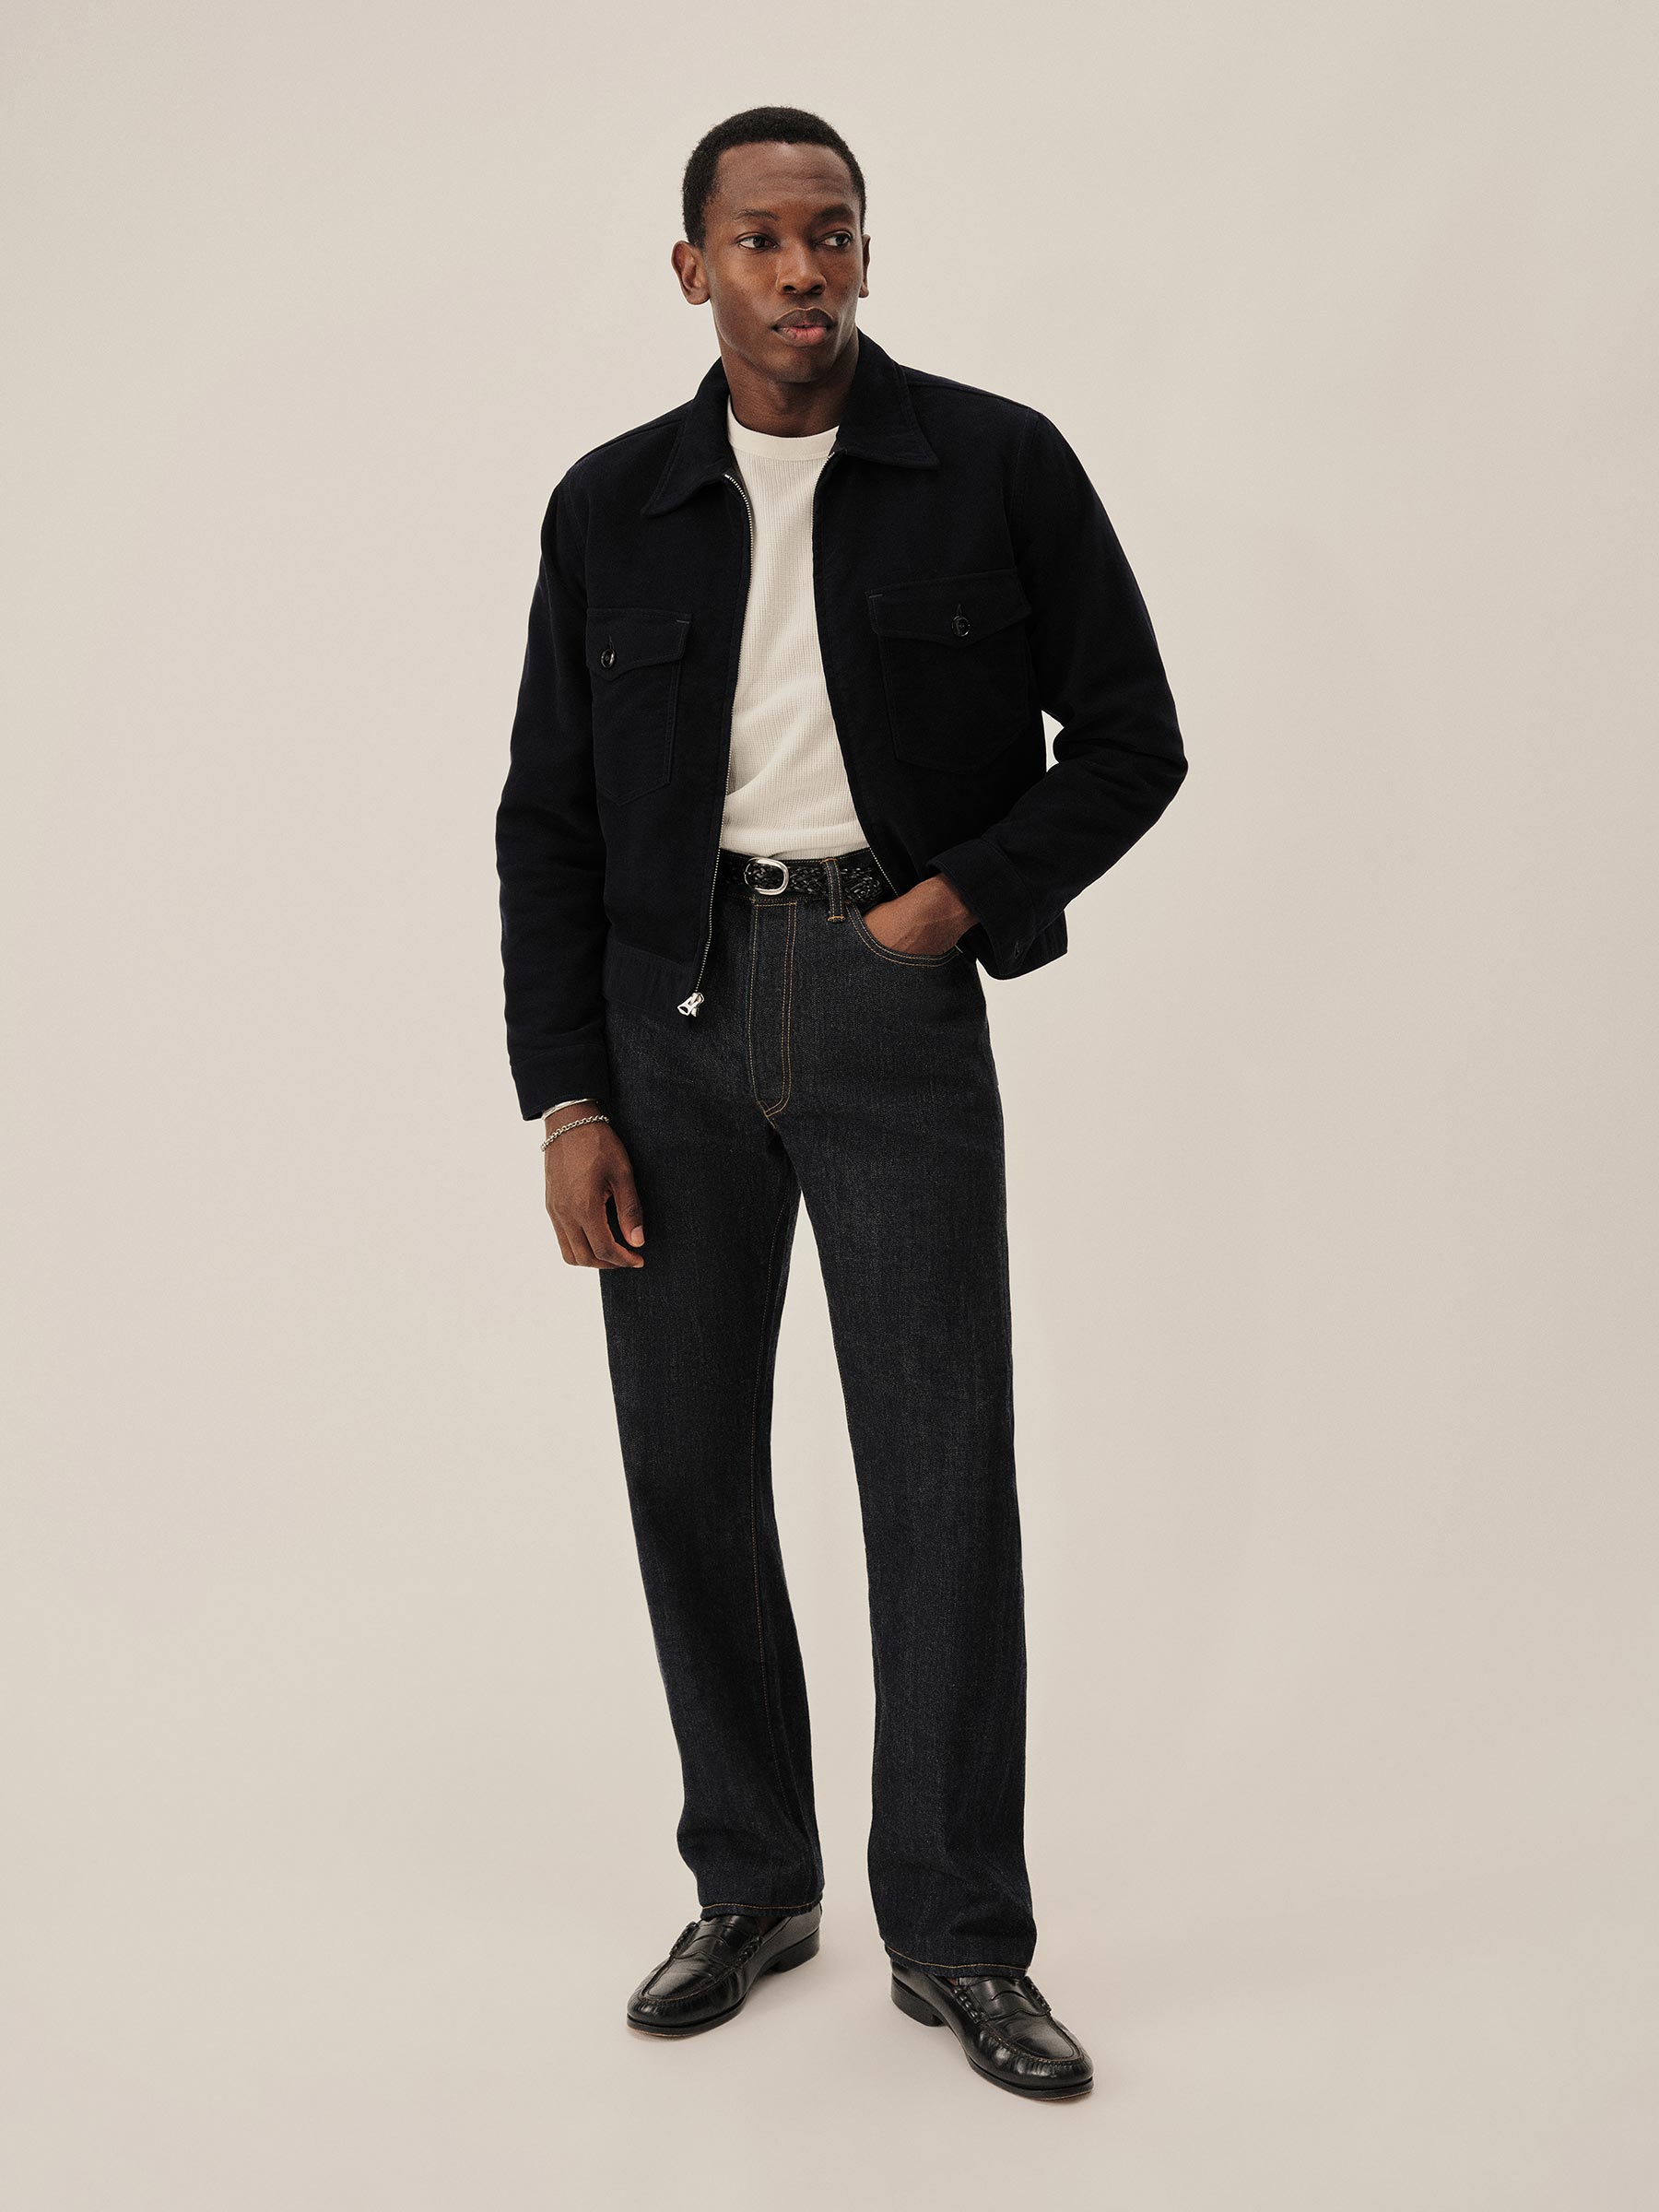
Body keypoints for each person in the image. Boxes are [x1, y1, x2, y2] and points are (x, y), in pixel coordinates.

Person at [494, 104, 1187, 2100]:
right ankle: (752, 1882)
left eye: (836, 232)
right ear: (692, 267)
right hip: (668, 1021)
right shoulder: (610, 505)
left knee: (940, 1472)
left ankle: (960, 1933)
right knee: (687, 1462)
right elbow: (547, 820)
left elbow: (1132, 738)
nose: (804, 270)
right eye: (762, 238)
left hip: (890, 1008)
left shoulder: (996, 462)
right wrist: (566, 1099)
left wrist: (950, 906)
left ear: (868, 254)